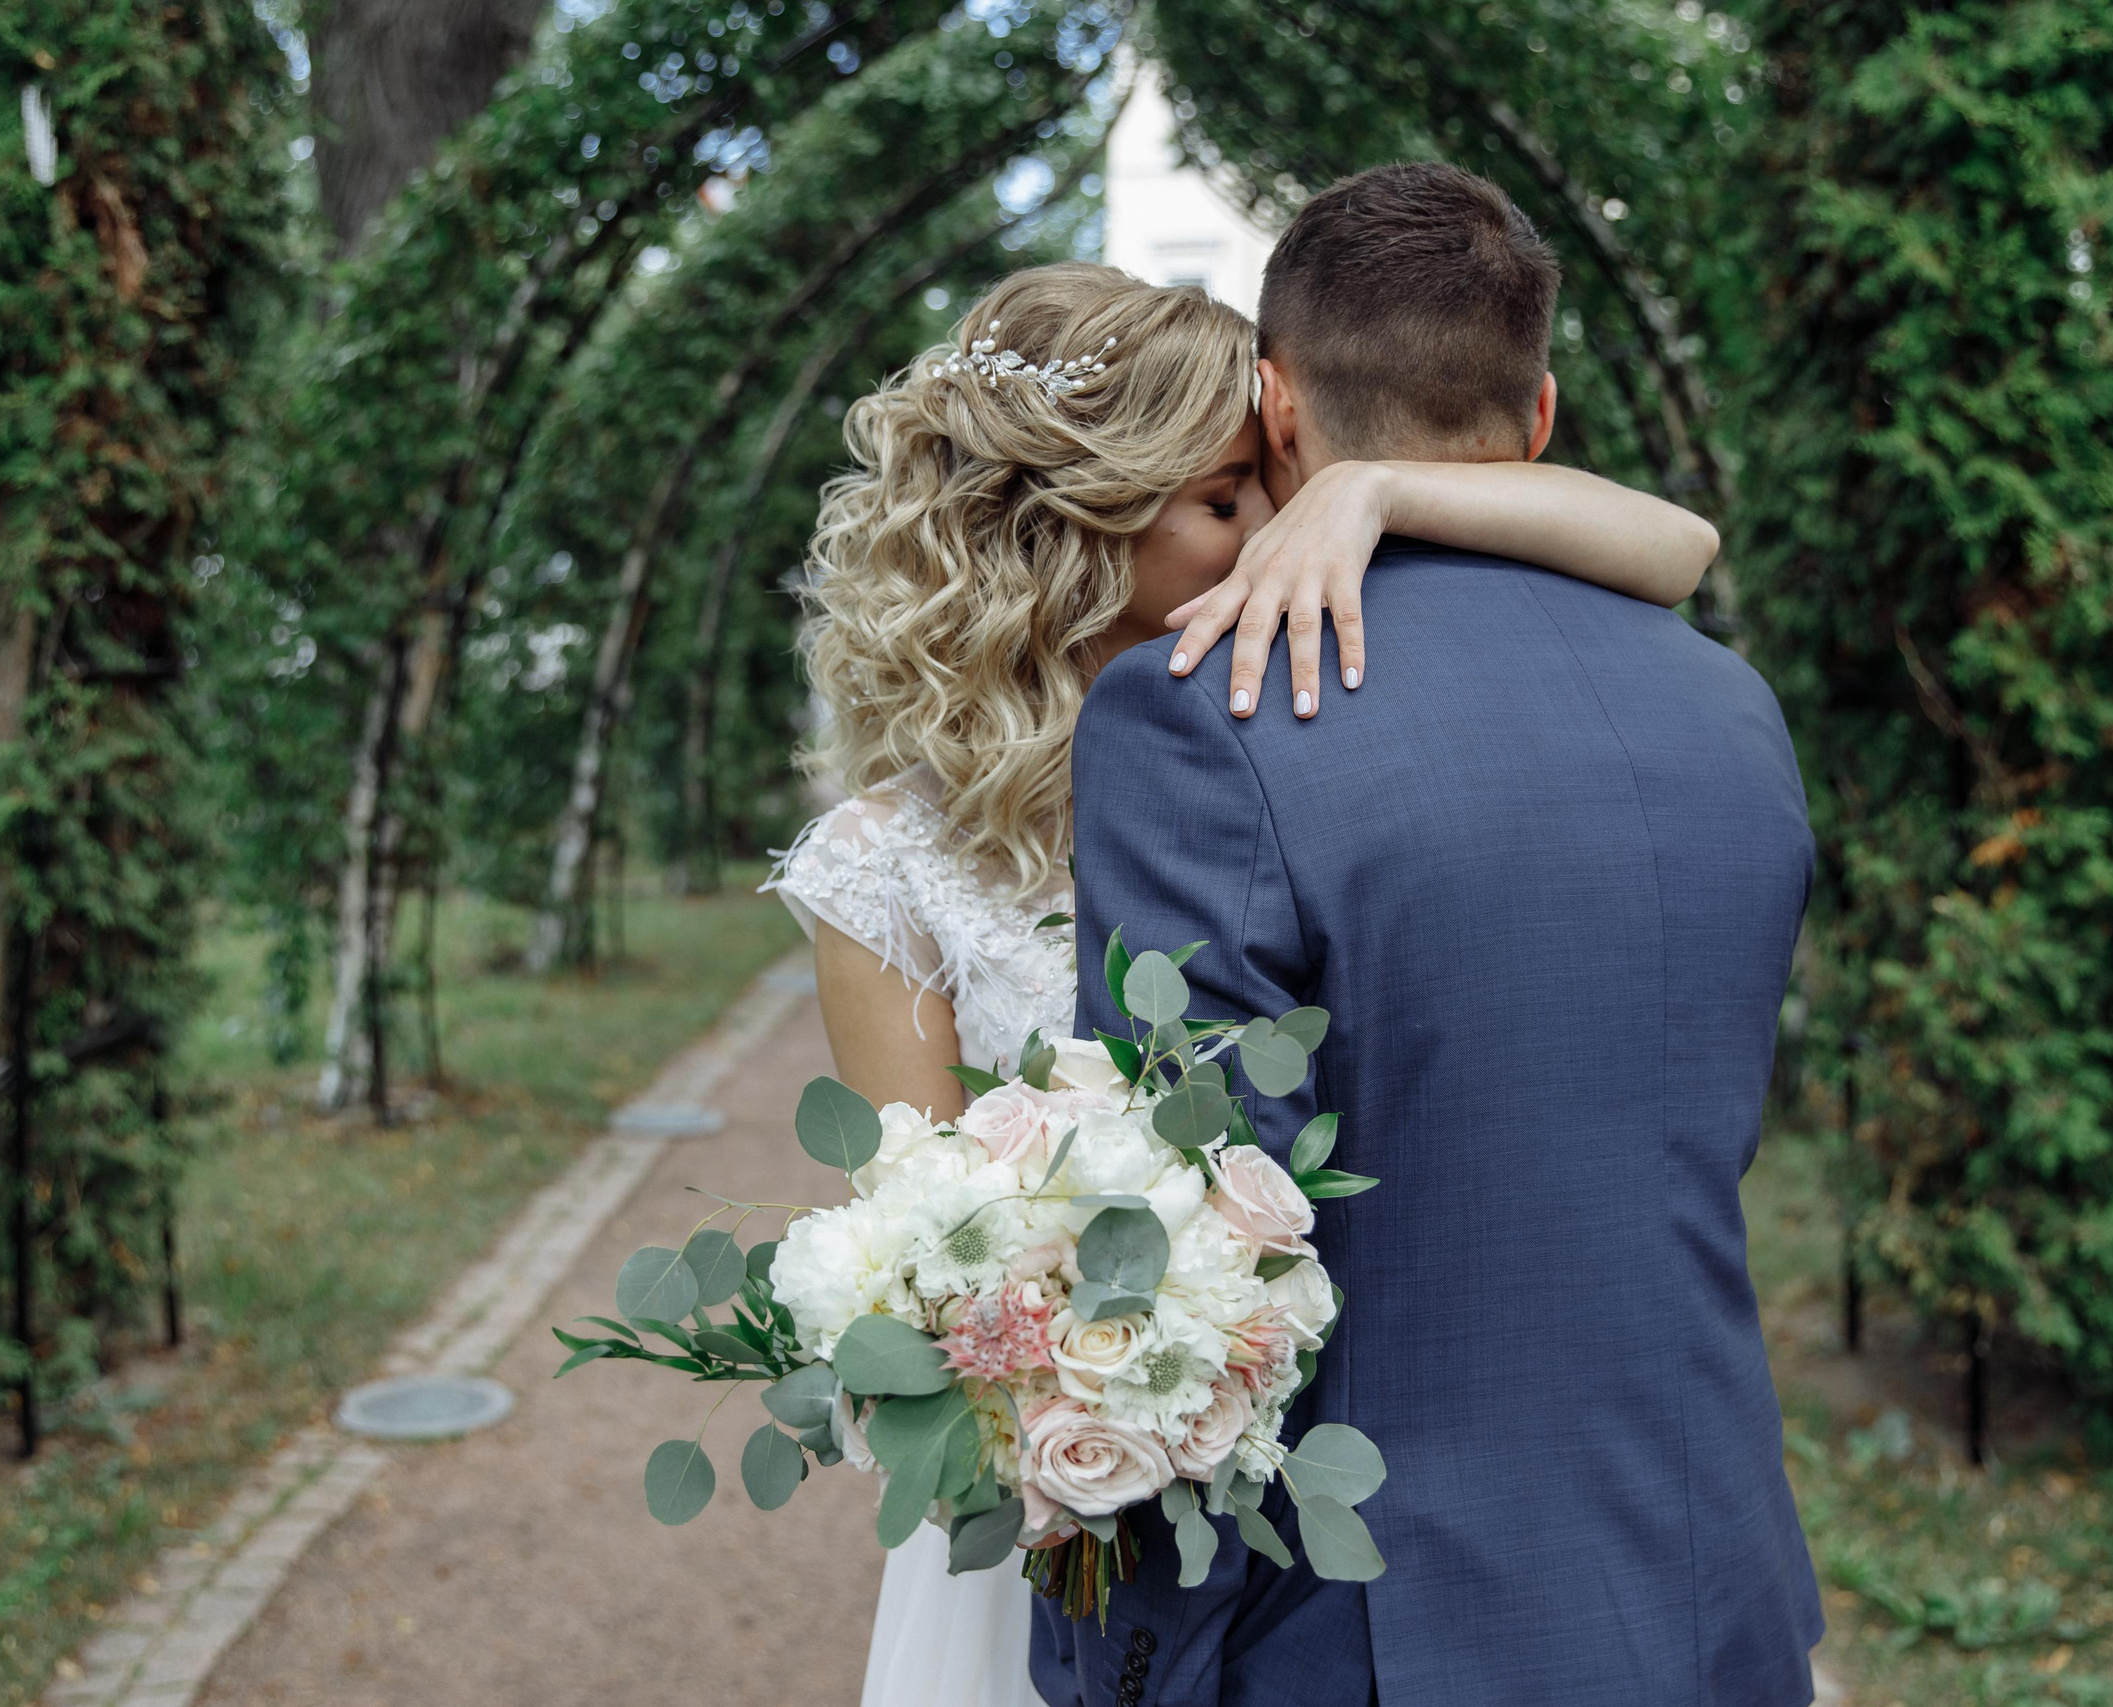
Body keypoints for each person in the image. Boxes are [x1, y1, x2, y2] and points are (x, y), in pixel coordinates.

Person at [767, 256, 1727, 1707]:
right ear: (1078, 527)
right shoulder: (886, 870)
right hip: (1079, 1511)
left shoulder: (1301, 725)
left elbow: (1677, 544)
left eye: (1276, 484)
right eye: (1227, 500)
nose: (1273, 530)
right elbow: (923, 1270)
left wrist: (1379, 494)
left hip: (1358, 1479)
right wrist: (1095, 1388)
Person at [1044, 165, 1824, 1706]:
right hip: (1711, 1585)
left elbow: (1185, 1254)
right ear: (1537, 423)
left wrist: (1120, 1671)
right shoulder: (1732, 709)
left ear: (1275, 410)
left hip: (1371, 1634)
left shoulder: (1205, 712)